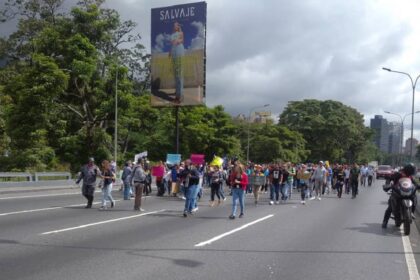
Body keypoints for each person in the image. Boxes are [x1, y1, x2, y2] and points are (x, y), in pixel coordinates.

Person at [382, 164, 419, 228]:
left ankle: (412, 212)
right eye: (411, 171)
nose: (411, 173)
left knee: (414, 198)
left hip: (407, 192)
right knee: (390, 207)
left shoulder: (410, 176)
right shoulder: (398, 174)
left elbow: (414, 183)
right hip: (397, 192)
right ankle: (385, 221)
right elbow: (389, 178)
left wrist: (417, 186)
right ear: (408, 170)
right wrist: (387, 185)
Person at [169, 22, 185, 104]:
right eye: (174, 25)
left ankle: (179, 96)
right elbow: (171, 44)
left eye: (176, 25)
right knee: (176, 74)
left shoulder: (180, 33)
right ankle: (177, 91)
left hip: (179, 51)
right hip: (174, 52)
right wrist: (170, 53)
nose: (175, 26)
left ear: (178, 26)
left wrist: (178, 40)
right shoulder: (172, 35)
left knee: (179, 74)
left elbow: (182, 40)